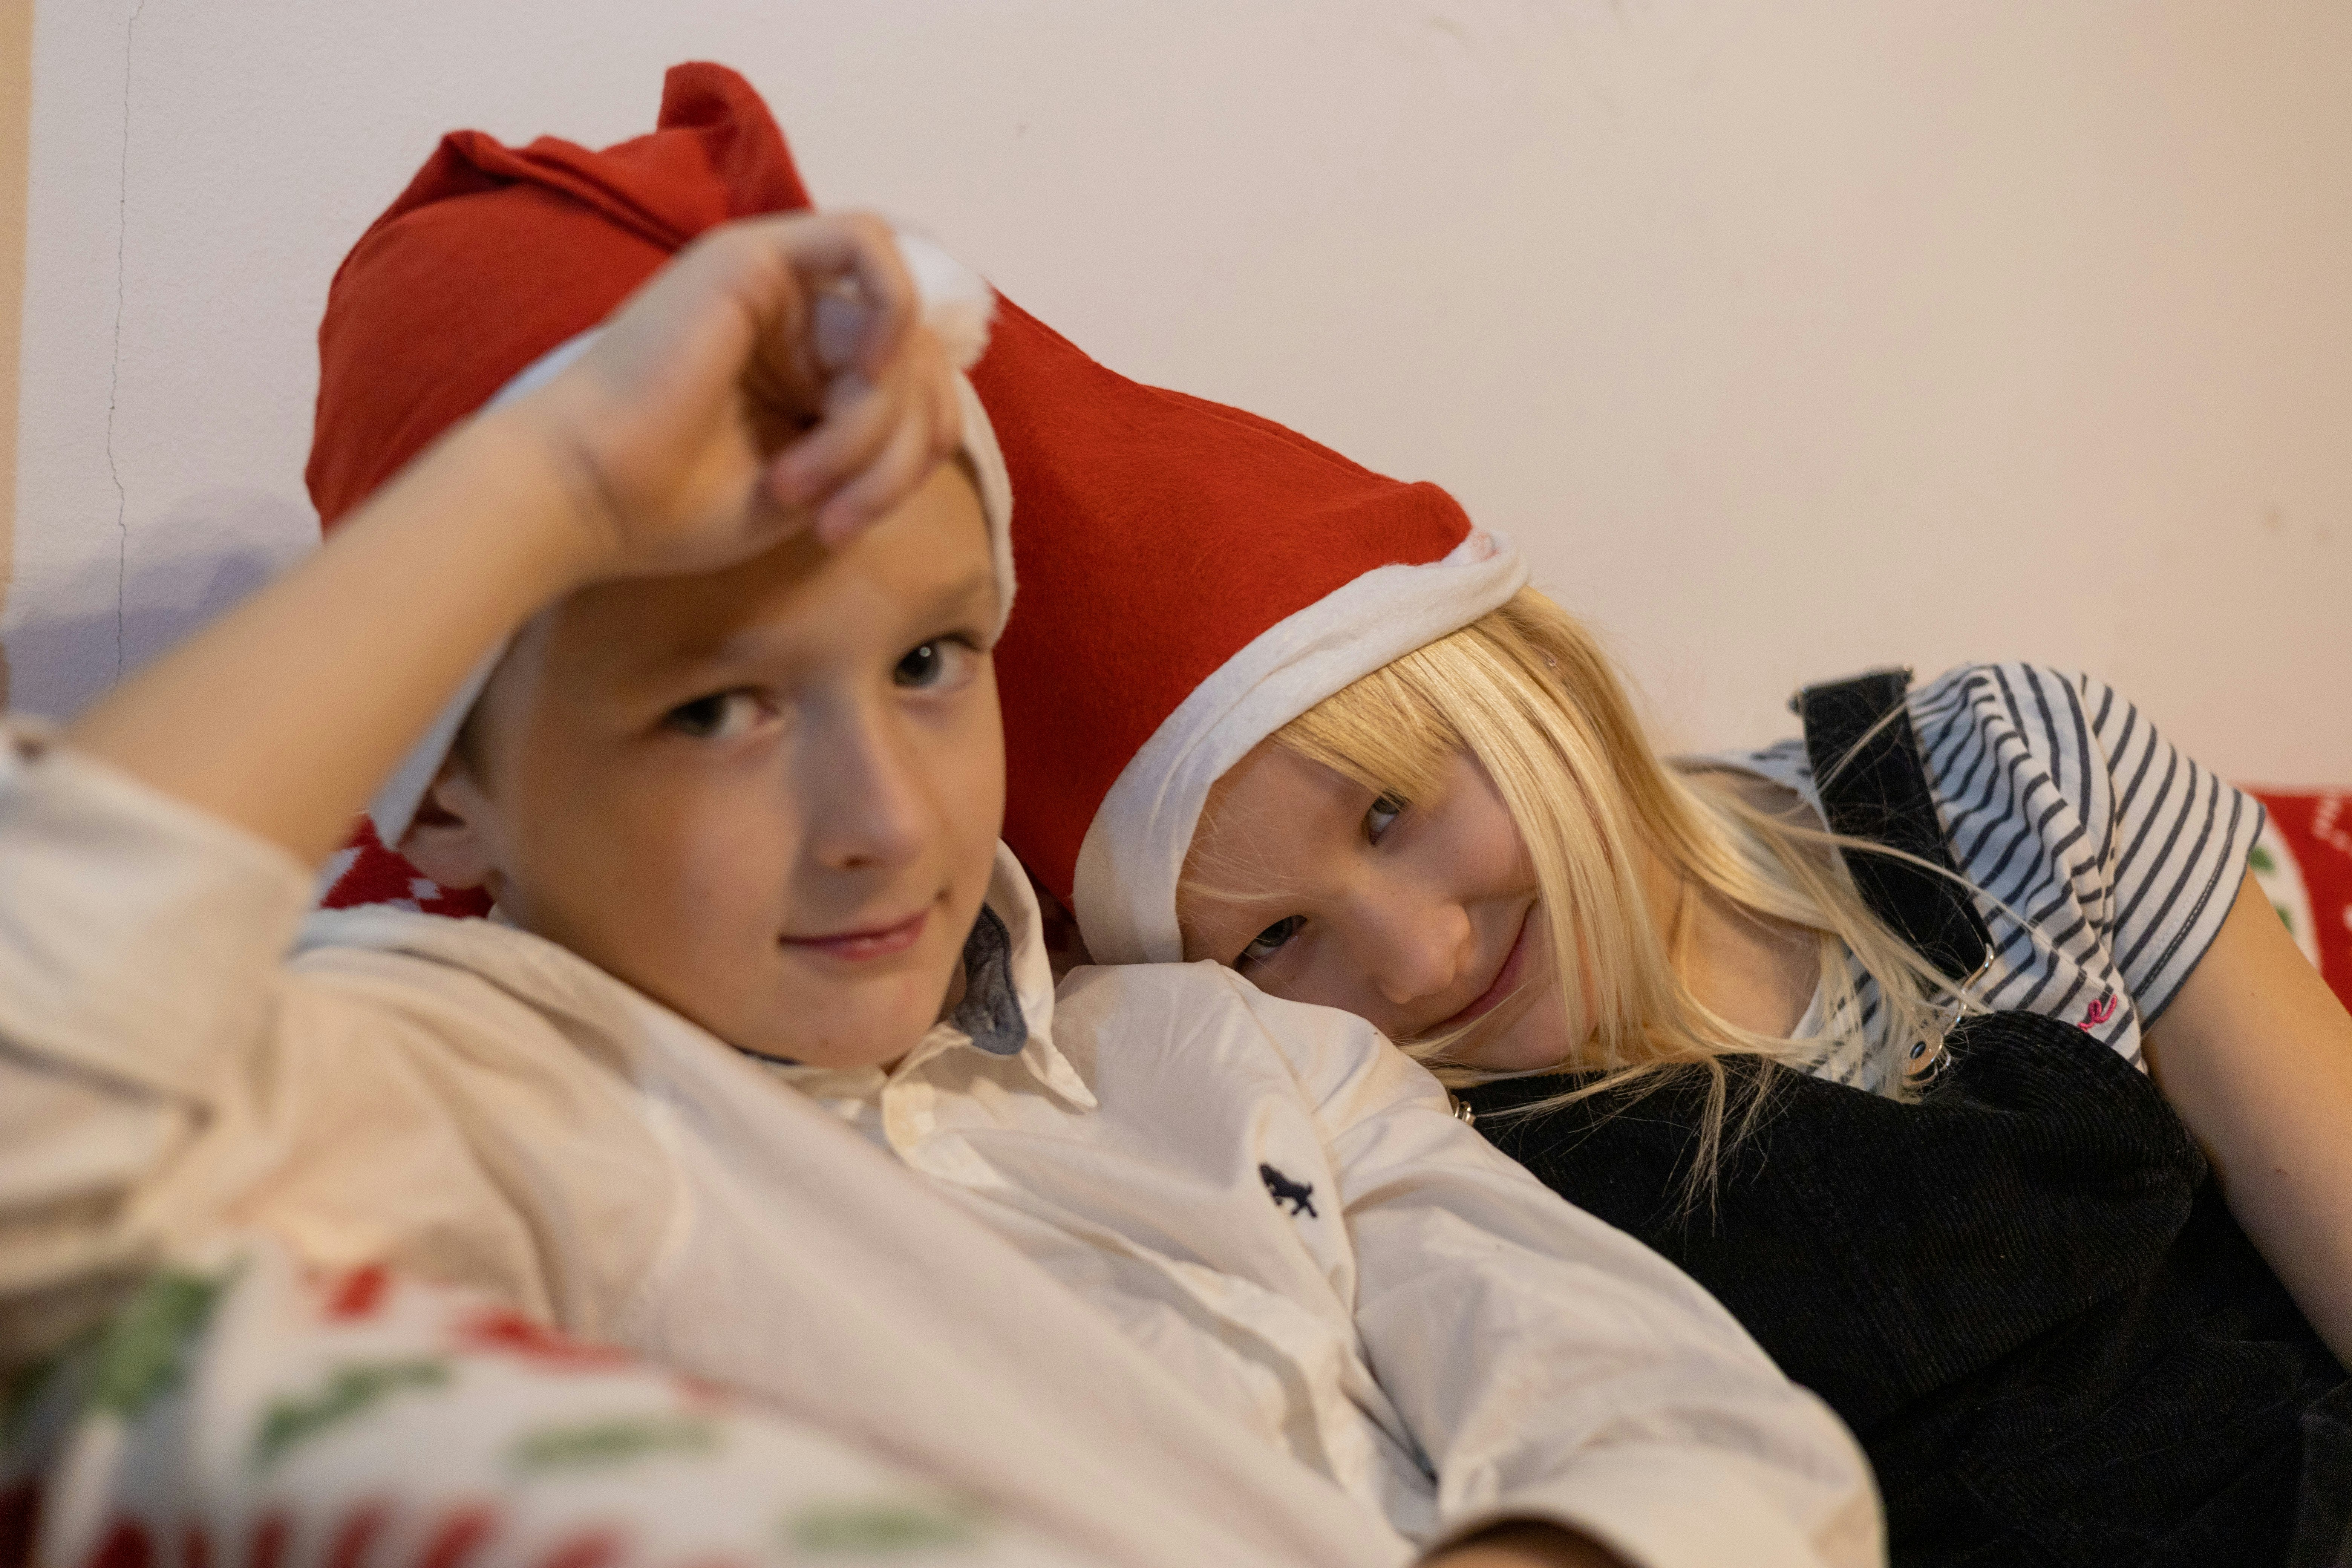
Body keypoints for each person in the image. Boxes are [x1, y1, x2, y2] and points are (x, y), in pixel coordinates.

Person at [0, 65, 1879, 1568]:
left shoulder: (1238, 1052)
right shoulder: (503, 1092)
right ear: (459, 800)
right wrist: (552, 480)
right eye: (717, 705)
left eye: (929, 661)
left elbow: (1726, 1446)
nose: (885, 821)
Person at [971, 288, 2352, 1563]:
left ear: (1528, 678)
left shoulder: (2006, 782)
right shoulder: (1373, 1188)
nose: (1421, 961)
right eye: (1272, 940)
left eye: (1391, 809)